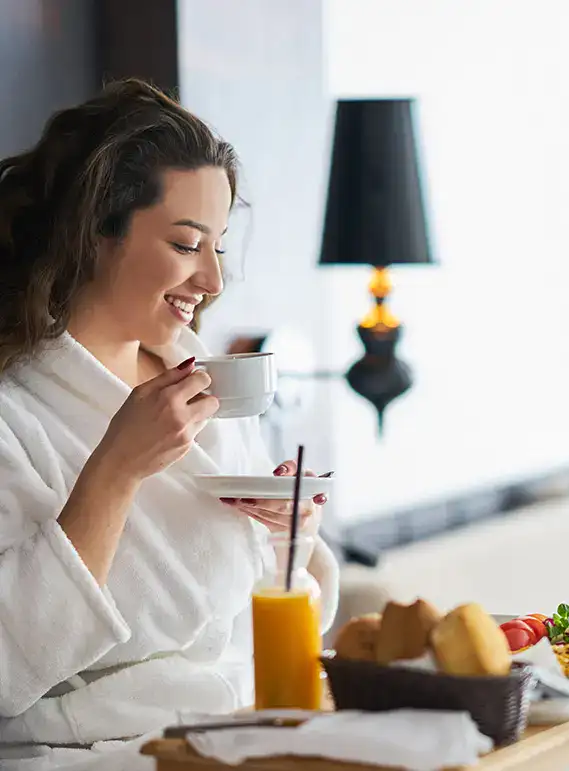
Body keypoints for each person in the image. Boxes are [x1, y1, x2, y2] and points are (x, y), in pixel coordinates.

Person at [0, 79, 339, 770]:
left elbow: (249, 621)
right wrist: (114, 472)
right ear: (95, 233)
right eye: (188, 244)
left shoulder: (202, 384)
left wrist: (290, 544)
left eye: (217, 245)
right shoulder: (16, 412)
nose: (213, 279)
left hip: (251, 727)